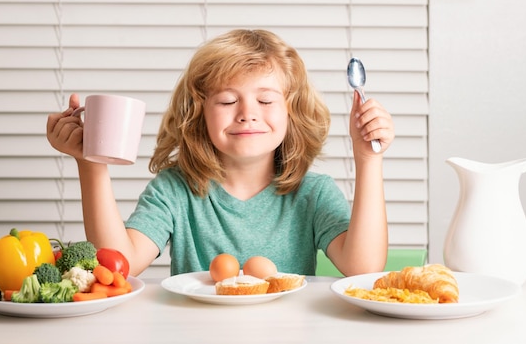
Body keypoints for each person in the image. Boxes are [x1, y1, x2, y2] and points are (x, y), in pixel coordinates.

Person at [46, 29, 395, 277]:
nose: (247, 112)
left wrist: (368, 159)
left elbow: (362, 267)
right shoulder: (175, 191)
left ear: (292, 111)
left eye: (265, 100)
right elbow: (117, 265)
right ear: (198, 114)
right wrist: (90, 162)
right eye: (228, 100)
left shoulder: (312, 194)